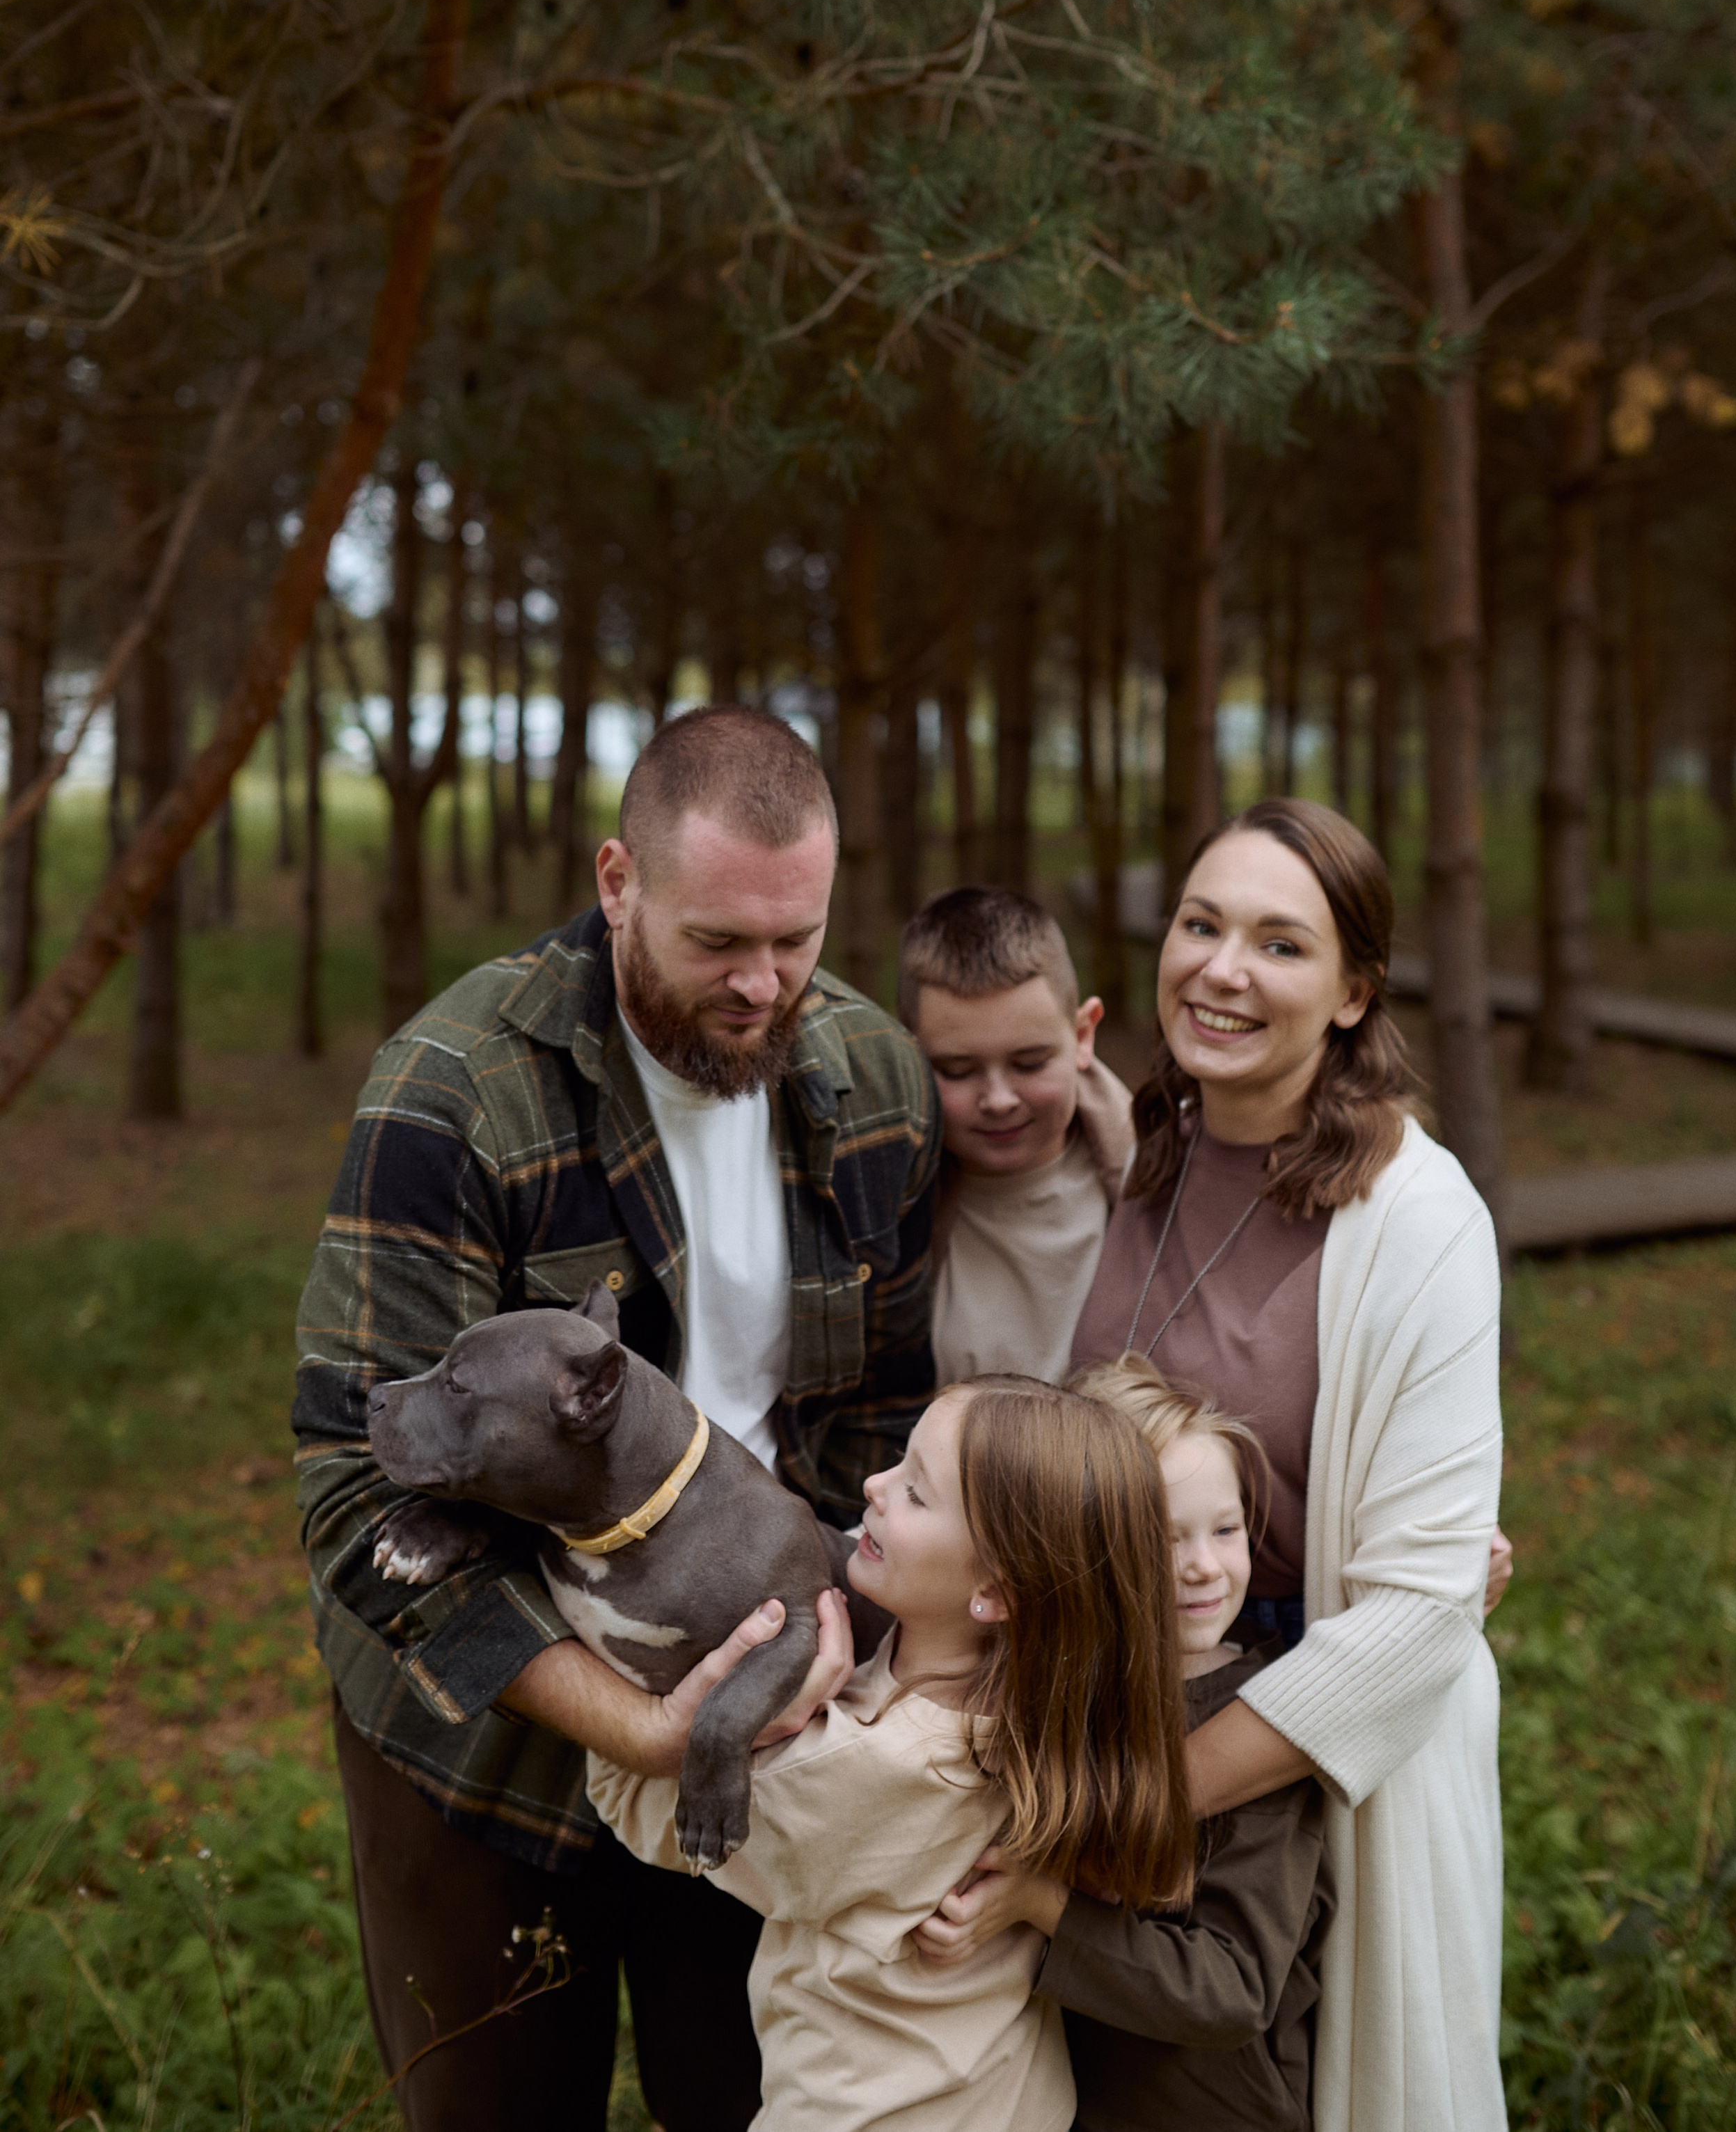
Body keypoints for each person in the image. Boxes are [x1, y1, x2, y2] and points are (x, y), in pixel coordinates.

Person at [293, 705, 939, 2132]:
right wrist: (643, 1726)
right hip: (486, 1752)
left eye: (797, 937)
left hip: (766, 1736)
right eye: (717, 940)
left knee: (755, 2107)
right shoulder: (455, 1090)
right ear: (616, 881)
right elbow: (352, 1494)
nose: (763, 983)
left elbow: (885, 1426)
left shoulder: (875, 1079)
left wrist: (829, 1692)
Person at [1049, 796, 1506, 2132]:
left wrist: (1136, 1803)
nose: (1223, 967)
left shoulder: (1420, 1218)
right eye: (1202, 923)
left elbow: (1416, 1614)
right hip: (1111, 1699)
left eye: (1281, 942)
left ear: (1356, 992)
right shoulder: (1152, 1152)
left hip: (1294, 1756)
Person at [585, 1375, 1197, 2132]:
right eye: (899, 1463)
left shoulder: (881, 1771)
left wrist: (691, 1698)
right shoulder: (1045, 1714)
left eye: (915, 1492)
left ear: (995, 1592)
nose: (876, 1485)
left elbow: (642, 1809)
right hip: (1004, 2099)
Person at [918, 1355, 1332, 2132]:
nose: (1203, 1566)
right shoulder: (1053, 1684)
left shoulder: (1264, 1725)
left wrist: (1043, 1906)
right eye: (1162, 1539)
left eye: (1226, 1529)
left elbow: (1232, 1990)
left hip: (1209, 2111)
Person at [897, 885, 1133, 1385]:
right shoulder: (886, 1204)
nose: (999, 1099)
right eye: (958, 1070)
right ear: (908, 1056)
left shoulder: (1160, 1177)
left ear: (1083, 1035)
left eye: (1029, 1063)